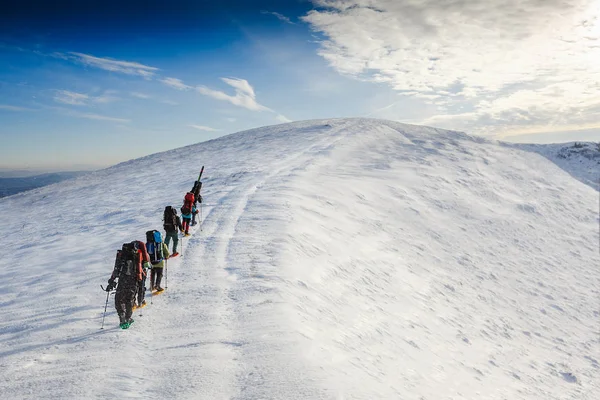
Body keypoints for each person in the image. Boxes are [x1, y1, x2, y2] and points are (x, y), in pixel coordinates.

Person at [106, 240, 150, 328]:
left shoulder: (122, 255)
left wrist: (112, 280)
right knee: (129, 299)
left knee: (119, 298)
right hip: (133, 280)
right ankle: (128, 318)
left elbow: (116, 269)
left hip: (122, 279)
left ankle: (122, 316)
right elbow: (142, 269)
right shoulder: (139, 254)